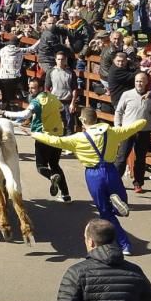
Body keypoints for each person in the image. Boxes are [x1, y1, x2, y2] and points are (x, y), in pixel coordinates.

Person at [31, 107, 143, 254]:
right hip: (111, 170)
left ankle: (124, 245)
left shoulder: (78, 138)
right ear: (96, 119)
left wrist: (35, 134)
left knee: (104, 212)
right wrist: (143, 120)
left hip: (93, 174)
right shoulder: (113, 132)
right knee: (120, 202)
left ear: (83, 120)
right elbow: (134, 127)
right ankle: (118, 206)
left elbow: (56, 140)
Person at [0, 77, 71, 202]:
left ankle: (51, 176)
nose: (30, 90)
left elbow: (24, 115)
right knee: (55, 164)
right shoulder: (52, 97)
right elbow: (60, 108)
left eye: (33, 88)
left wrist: (5, 113)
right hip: (58, 135)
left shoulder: (37, 102)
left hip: (43, 137)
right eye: (30, 87)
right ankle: (66, 195)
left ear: (40, 88)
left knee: (41, 166)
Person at [113, 72, 151, 195]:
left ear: (146, 82)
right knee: (122, 157)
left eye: (141, 81)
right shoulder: (126, 94)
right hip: (128, 130)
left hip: (144, 131)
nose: (139, 83)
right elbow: (118, 111)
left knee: (140, 159)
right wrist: (117, 126)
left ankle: (138, 183)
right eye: (137, 81)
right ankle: (115, 182)